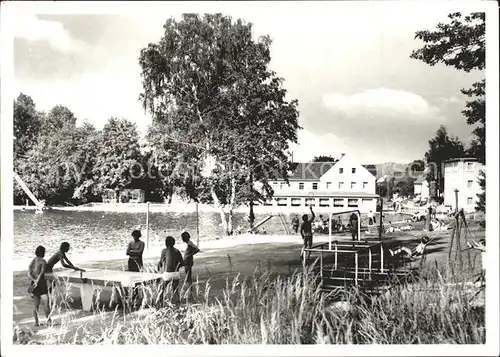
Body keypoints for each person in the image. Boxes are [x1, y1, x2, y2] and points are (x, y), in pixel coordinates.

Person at [28, 246, 51, 327]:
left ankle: (36, 322)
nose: (44, 253)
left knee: (36, 304)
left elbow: (29, 274)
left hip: (33, 283)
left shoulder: (33, 261)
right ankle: (48, 321)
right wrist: (37, 281)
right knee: (46, 302)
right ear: (42, 253)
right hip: (41, 283)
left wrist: (34, 281)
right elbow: (42, 273)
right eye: (44, 252)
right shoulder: (43, 262)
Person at [157, 236, 184, 304]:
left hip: (167, 274)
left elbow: (160, 262)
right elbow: (182, 263)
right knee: (175, 289)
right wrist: (176, 266)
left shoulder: (164, 251)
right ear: (174, 243)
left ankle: (160, 301)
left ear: (166, 243)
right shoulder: (177, 251)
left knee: (161, 288)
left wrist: (159, 270)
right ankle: (177, 302)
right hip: (176, 273)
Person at [181, 231, 200, 298]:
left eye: (182, 238)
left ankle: (190, 293)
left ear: (185, 238)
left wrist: (190, 255)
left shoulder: (189, 243)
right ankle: (189, 292)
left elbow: (197, 249)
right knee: (188, 277)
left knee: (188, 278)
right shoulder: (188, 243)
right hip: (186, 262)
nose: (182, 239)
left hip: (188, 262)